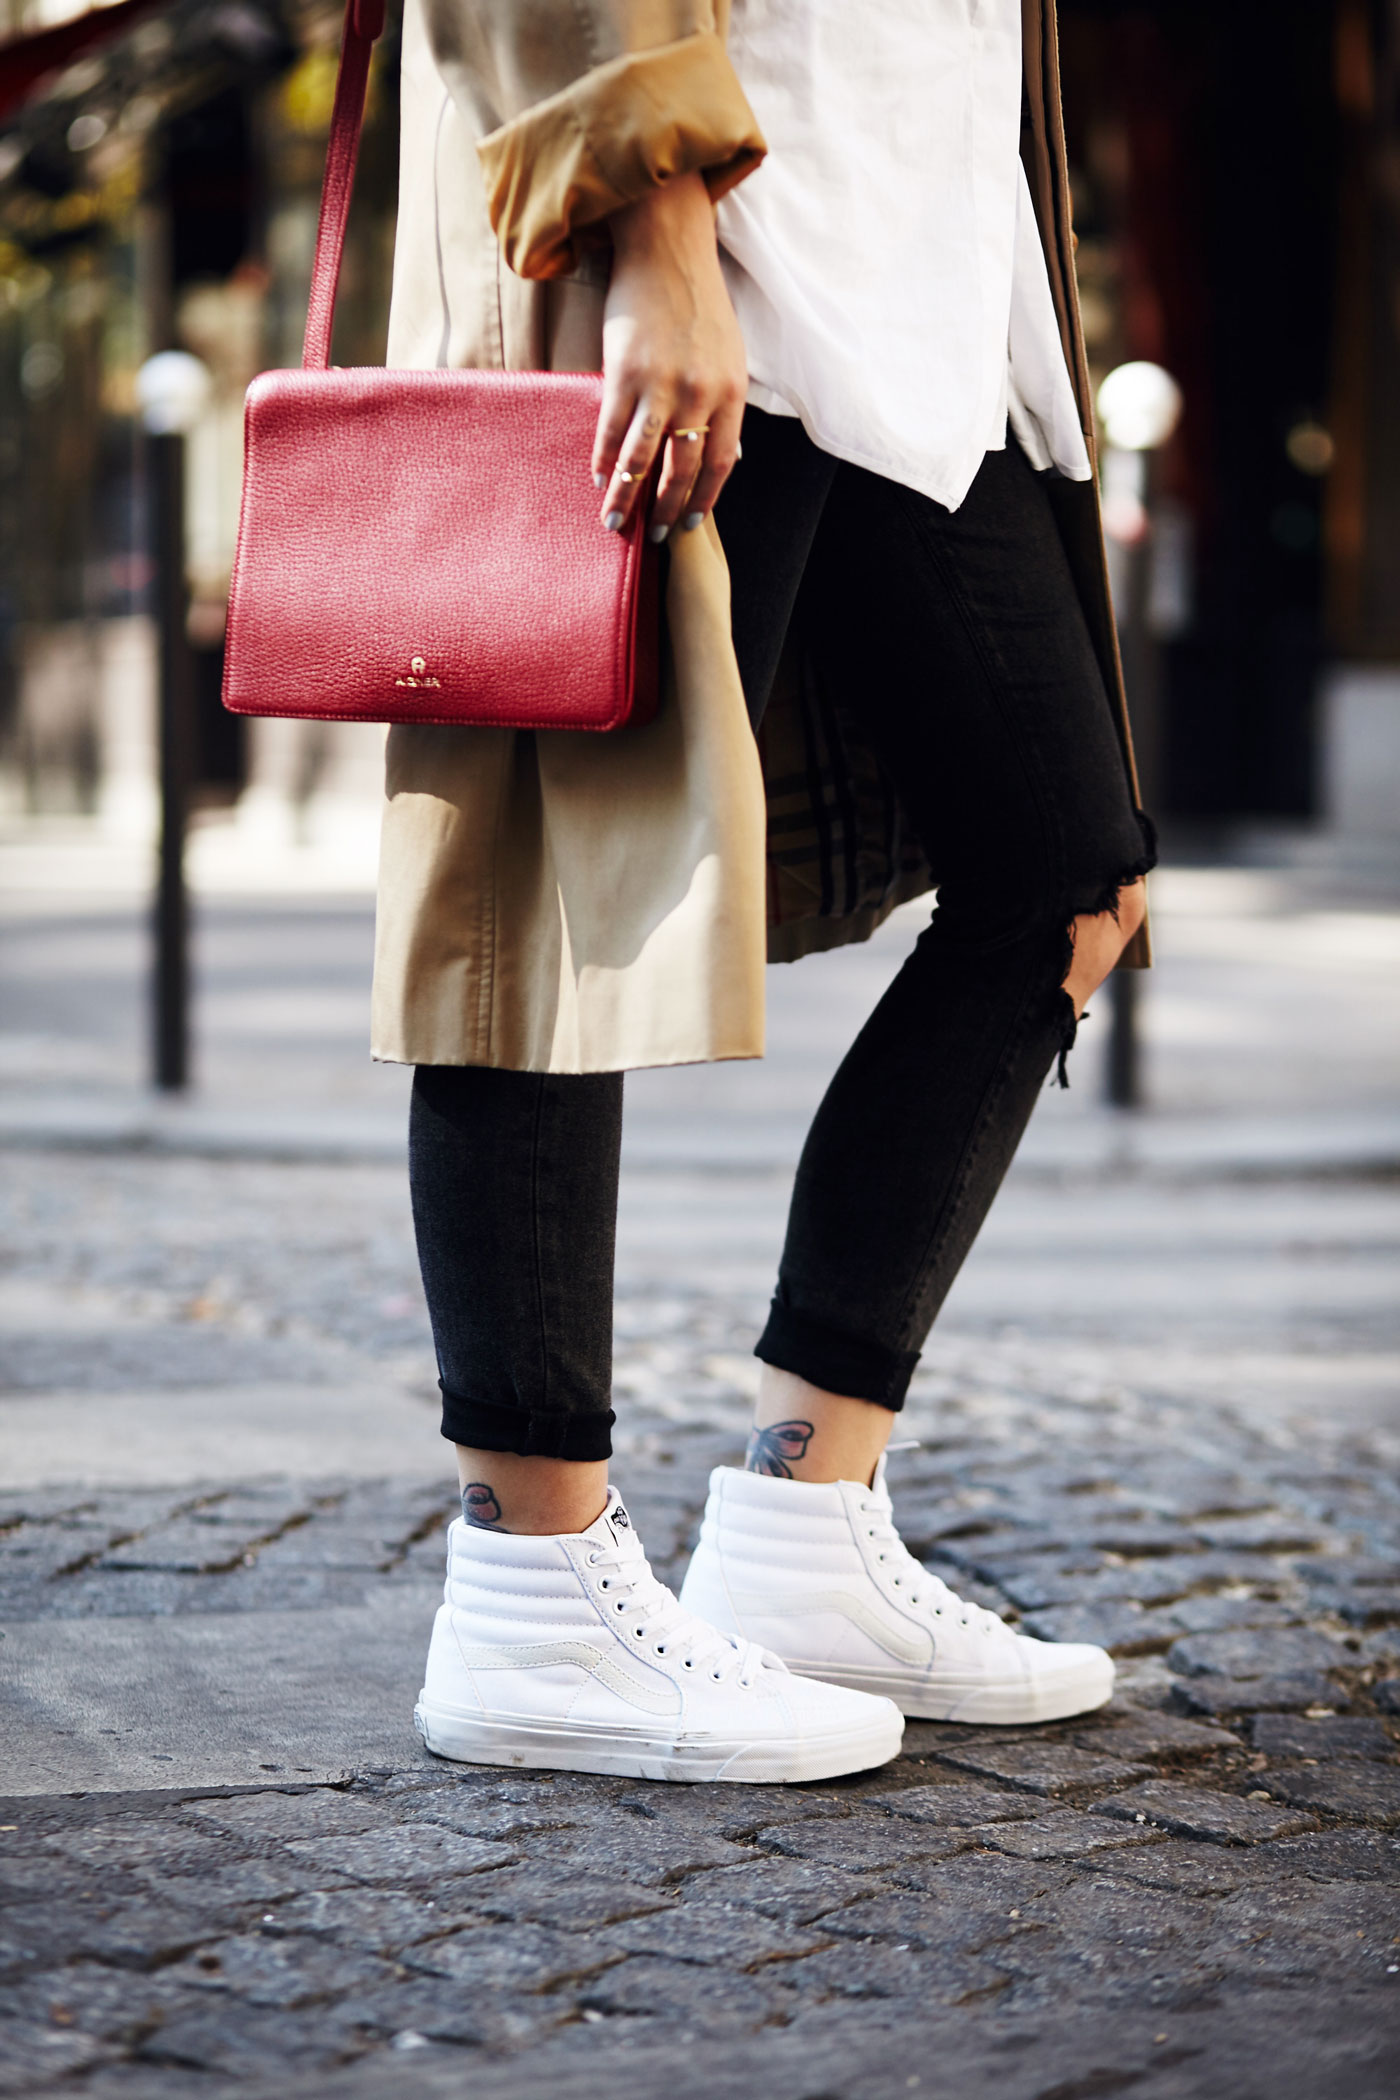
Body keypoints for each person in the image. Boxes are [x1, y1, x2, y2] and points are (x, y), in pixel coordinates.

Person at [378, 0, 1156, 1784]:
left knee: (1066, 880)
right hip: (706, 253)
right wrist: (652, 226)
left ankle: (805, 1527)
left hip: (933, 267)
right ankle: (535, 1583)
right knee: (556, 896)